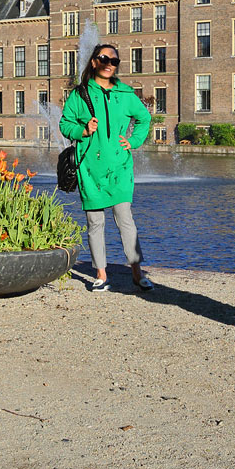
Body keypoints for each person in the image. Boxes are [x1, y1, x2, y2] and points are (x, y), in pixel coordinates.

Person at [58, 44, 154, 292]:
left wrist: (132, 141)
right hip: (90, 168)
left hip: (120, 168)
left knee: (125, 219)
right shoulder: (80, 95)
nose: (109, 63)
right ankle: (101, 274)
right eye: (104, 58)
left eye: (114, 60)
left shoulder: (125, 94)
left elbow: (144, 118)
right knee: (95, 222)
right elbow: (65, 124)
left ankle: (136, 271)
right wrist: (82, 130)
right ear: (94, 62)